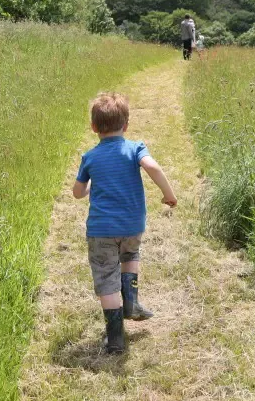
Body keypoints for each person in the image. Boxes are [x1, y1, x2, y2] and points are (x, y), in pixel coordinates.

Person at [72, 92, 177, 354]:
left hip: (101, 231)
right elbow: (152, 167)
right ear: (126, 126)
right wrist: (168, 194)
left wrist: (90, 186)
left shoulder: (90, 157)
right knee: (131, 253)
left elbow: (77, 192)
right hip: (132, 224)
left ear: (94, 127)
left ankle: (116, 338)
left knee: (107, 277)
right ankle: (131, 301)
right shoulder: (135, 148)